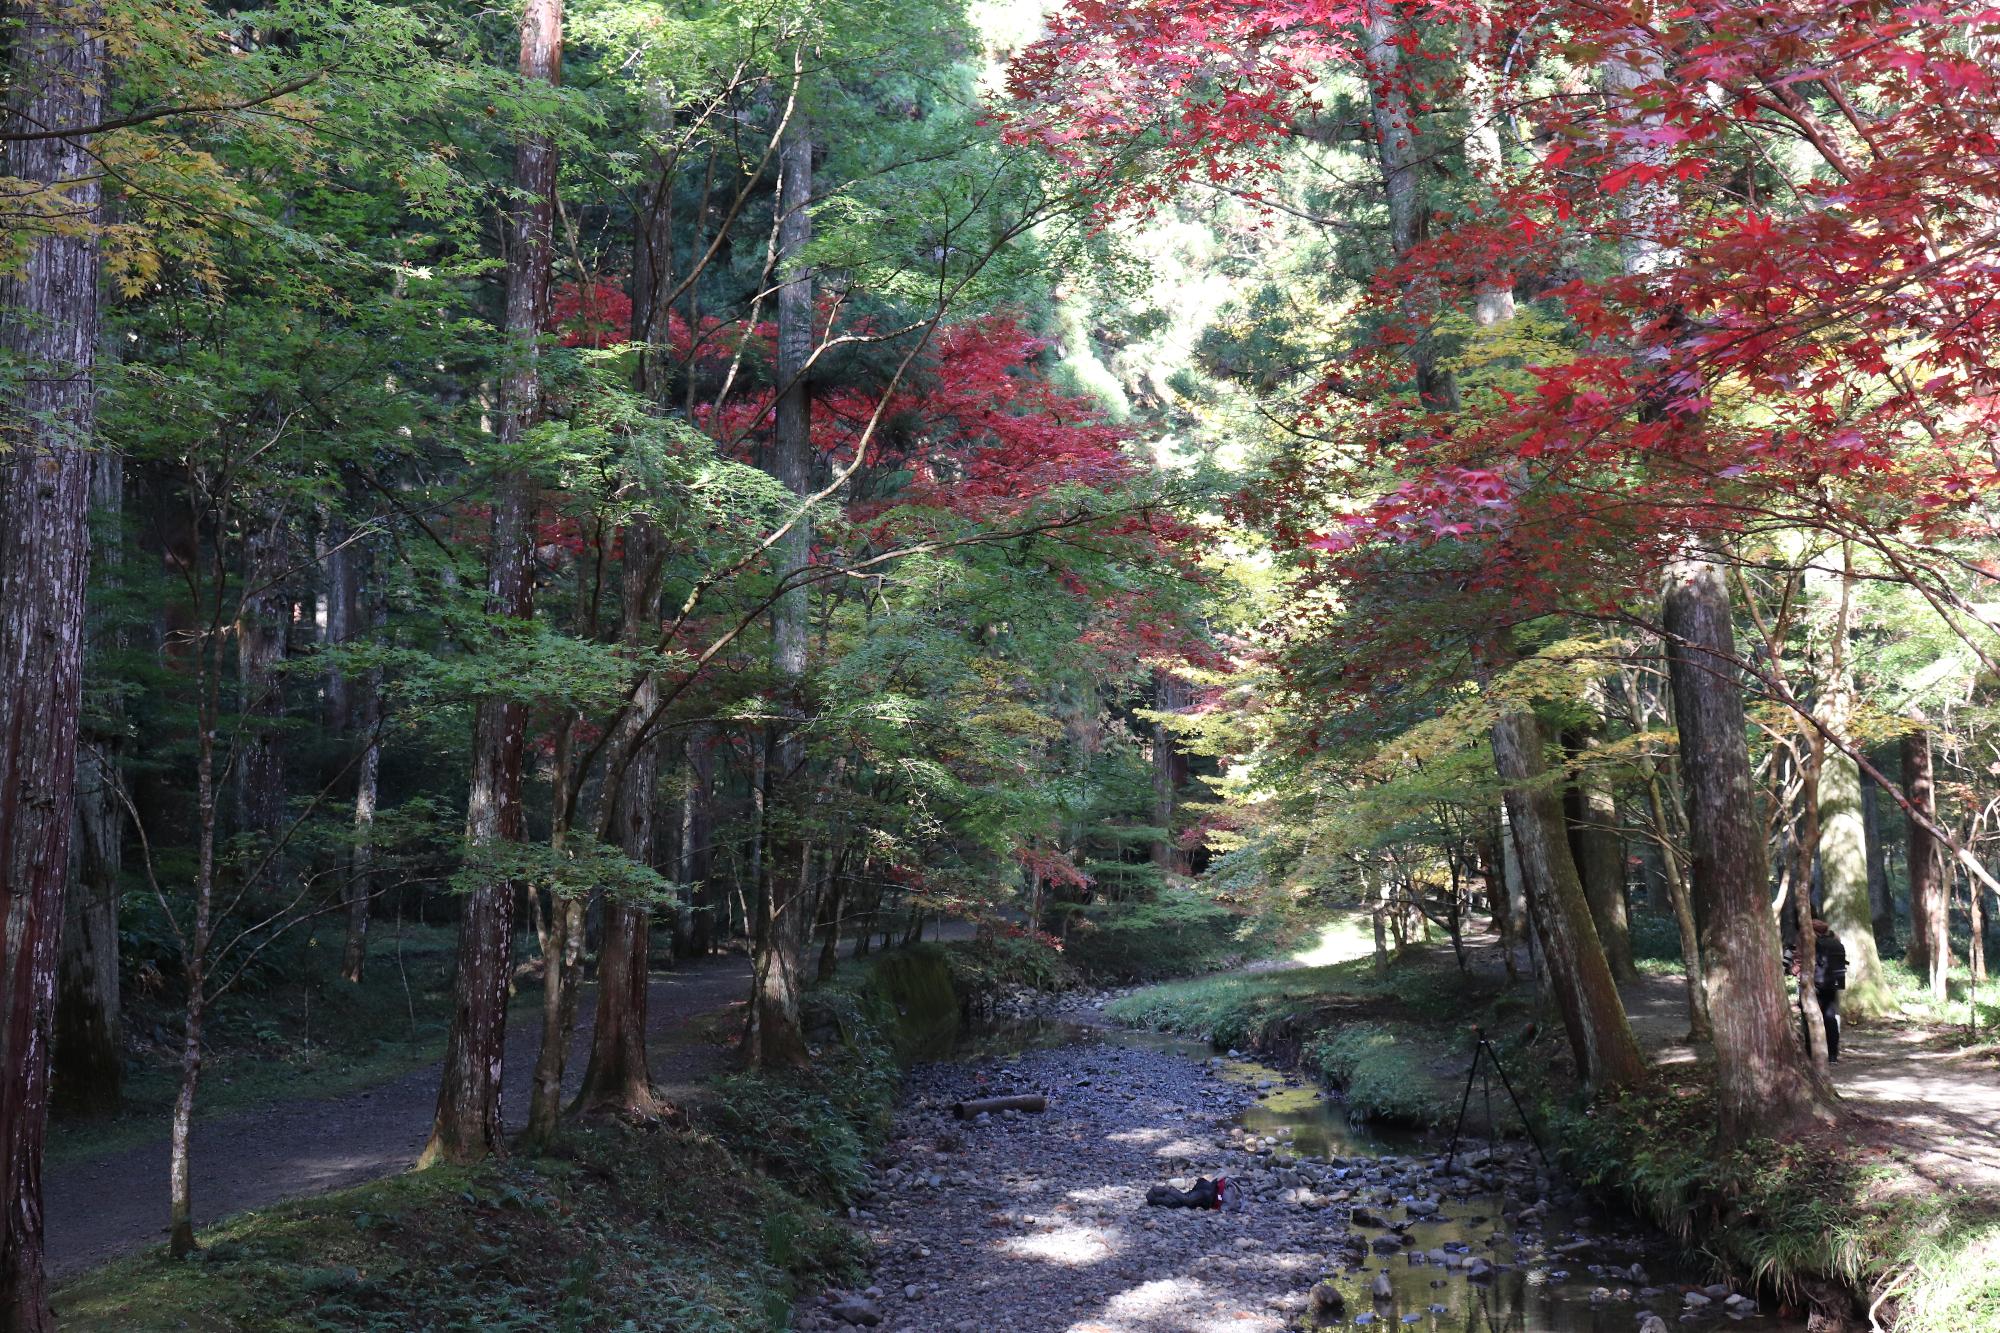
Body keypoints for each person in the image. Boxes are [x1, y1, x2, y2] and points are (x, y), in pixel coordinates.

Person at [1787, 917, 1848, 1063]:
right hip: (1831, 982)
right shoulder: (1832, 935)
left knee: (1809, 1018)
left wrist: (1792, 970)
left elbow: (1796, 962)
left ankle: (1812, 1054)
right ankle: (1833, 1055)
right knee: (1830, 1017)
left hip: (1810, 983)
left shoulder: (1804, 935)